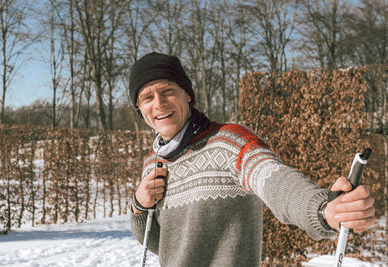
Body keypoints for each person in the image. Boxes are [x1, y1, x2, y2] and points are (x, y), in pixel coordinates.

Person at [128, 52, 375, 267]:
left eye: (167, 91)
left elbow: (273, 179)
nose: (158, 103)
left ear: (188, 95)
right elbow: (161, 243)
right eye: (147, 98)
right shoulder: (153, 162)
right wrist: (139, 206)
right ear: (140, 110)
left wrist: (322, 209)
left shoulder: (228, 142)